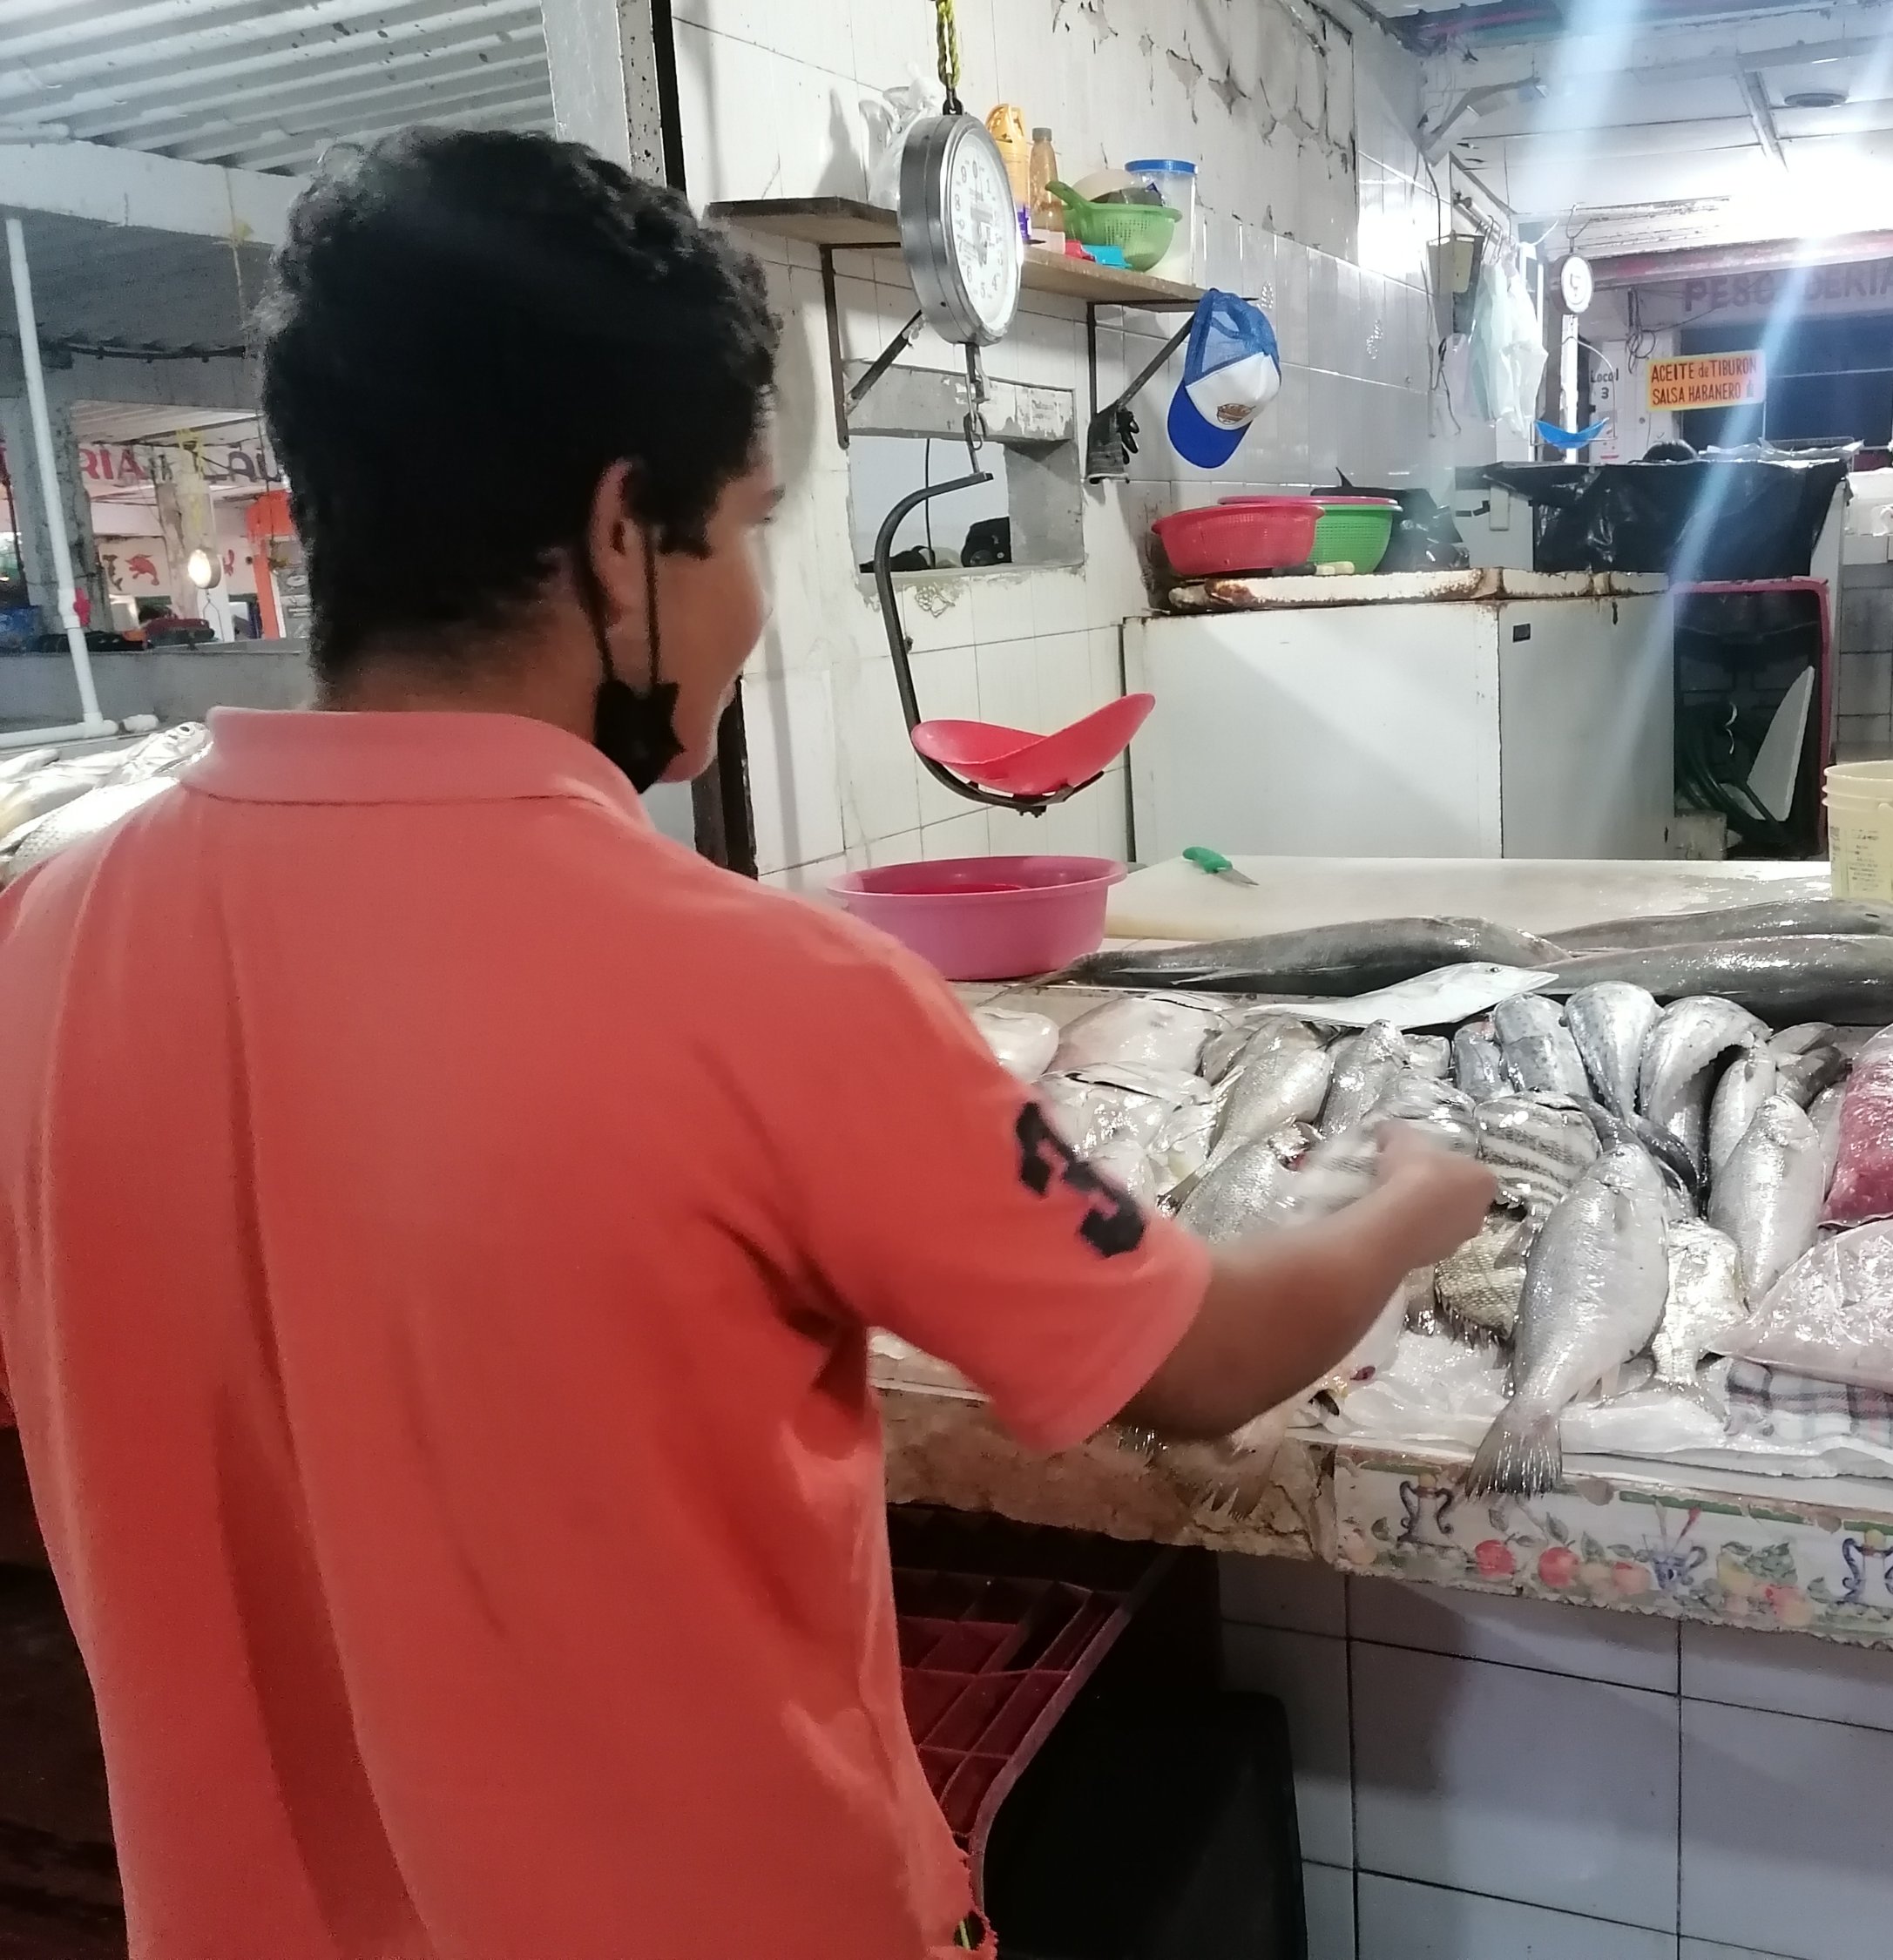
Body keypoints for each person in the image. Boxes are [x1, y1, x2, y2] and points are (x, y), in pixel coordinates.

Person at [0, 129, 1496, 1960]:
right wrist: (1407, 1199)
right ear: (624, 536)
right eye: (756, 524)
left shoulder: (47, 935)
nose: (754, 605)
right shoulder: (769, 994)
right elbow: (1200, 1359)